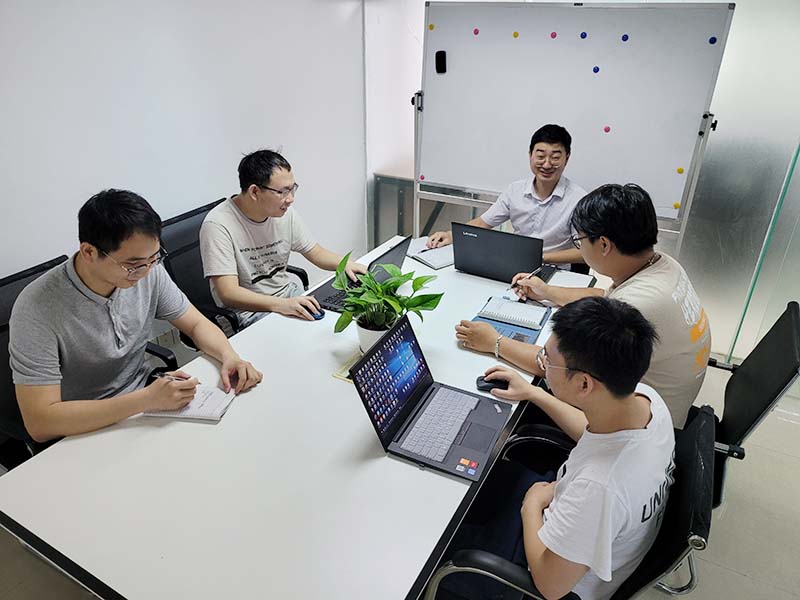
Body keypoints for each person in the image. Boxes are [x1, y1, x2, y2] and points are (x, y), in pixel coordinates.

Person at [444, 297, 675, 600]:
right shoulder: (646, 401)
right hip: (568, 518)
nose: (541, 364)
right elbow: (591, 432)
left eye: (547, 359)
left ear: (584, 385)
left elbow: (550, 586)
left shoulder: (600, 488)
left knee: (432, 540)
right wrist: (533, 393)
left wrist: (531, 506)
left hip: (546, 571)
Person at [9, 190, 262, 443]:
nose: (145, 271)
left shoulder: (148, 270)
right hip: (83, 427)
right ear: (89, 252)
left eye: (154, 258)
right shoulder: (37, 307)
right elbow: (40, 423)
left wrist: (229, 356)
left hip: (143, 404)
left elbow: (195, 324)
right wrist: (146, 400)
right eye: (133, 265)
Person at [455, 183, 710, 428]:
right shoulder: (662, 265)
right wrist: (547, 291)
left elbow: (555, 366)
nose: (580, 247)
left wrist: (494, 342)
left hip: (636, 425)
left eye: (579, 241)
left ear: (604, 245)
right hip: (659, 402)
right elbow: (605, 298)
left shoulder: (638, 304)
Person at [199, 149, 367, 326]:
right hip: (248, 314)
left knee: (343, 322)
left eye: (293, 189)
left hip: (288, 297)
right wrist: (281, 305)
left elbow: (316, 252)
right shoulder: (218, 225)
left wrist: (346, 264)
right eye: (283, 191)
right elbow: (229, 293)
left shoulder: (283, 213)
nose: (290, 199)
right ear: (255, 192)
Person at [426, 124, 586, 265]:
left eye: (555, 157)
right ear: (530, 155)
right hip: (516, 264)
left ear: (566, 159)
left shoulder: (578, 200)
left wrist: (542, 258)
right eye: (540, 156)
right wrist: (450, 236)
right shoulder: (515, 191)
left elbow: (587, 252)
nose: (546, 164)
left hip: (556, 270)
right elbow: (483, 223)